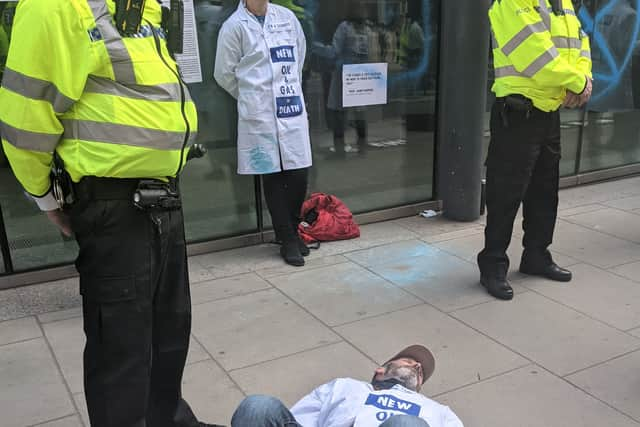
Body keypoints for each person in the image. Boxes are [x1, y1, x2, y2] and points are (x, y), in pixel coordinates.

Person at [0, 1, 219, 426]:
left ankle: (169, 419)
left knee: (169, 334)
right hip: (112, 206)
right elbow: (25, 119)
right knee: (122, 349)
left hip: (163, 198)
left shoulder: (147, 8)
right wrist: (47, 198)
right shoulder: (56, 7)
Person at [478, 0, 593, 300]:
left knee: (545, 189)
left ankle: (537, 255)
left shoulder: (561, 2)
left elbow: (581, 43)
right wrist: (577, 82)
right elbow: (534, 55)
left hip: (549, 110)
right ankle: (492, 264)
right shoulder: (511, 1)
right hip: (517, 111)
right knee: (506, 194)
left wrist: (582, 80)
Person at [215, 0, 312, 267]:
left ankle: (292, 229)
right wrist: (253, 97)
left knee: (298, 173)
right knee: (272, 173)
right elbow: (224, 73)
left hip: (290, 107)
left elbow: (299, 57)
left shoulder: (288, 18)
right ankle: (287, 239)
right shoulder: (233, 26)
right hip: (259, 115)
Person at [230, 345, 464, 427]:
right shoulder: (344, 386)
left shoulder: (439, 411)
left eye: (419, 371)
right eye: (409, 361)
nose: (417, 367)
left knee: (405, 424)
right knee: (257, 407)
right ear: (380, 370)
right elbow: (300, 419)